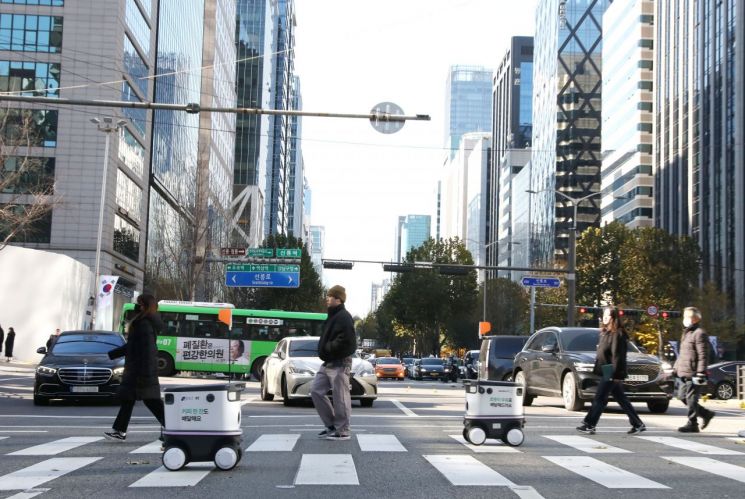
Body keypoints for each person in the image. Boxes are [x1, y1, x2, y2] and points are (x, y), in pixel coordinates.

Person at [104, 294, 166, 441]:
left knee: (152, 402)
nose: (136, 306)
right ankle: (119, 431)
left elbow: (148, 350)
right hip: (139, 370)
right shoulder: (143, 322)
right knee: (130, 400)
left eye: (139, 303)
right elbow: (132, 346)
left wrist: (146, 372)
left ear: (144, 306)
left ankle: (173, 429)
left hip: (140, 372)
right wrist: (111, 354)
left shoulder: (143, 324)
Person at [577, 307, 646, 435]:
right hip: (606, 369)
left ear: (613, 317)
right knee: (621, 399)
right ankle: (638, 424)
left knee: (599, 398)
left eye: (608, 315)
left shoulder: (617, 334)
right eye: (604, 315)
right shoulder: (606, 332)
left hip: (611, 370)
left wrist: (616, 374)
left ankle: (590, 424)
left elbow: (618, 356)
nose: (605, 318)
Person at [310, 285, 356, 441]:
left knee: (340, 397)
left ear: (339, 299)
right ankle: (331, 426)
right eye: (327, 296)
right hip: (328, 361)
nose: (327, 299)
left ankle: (342, 430)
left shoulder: (344, 316)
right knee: (316, 391)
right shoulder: (332, 315)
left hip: (340, 361)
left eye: (330, 296)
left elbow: (348, 342)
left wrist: (328, 347)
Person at [673, 306, 715, 433]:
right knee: (681, 396)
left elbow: (703, 354)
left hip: (694, 372)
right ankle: (706, 414)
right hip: (683, 371)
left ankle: (692, 424)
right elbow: (683, 354)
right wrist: (676, 368)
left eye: (687, 317)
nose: (684, 319)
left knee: (691, 398)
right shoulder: (687, 333)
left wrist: (701, 371)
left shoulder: (699, 333)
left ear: (695, 319)